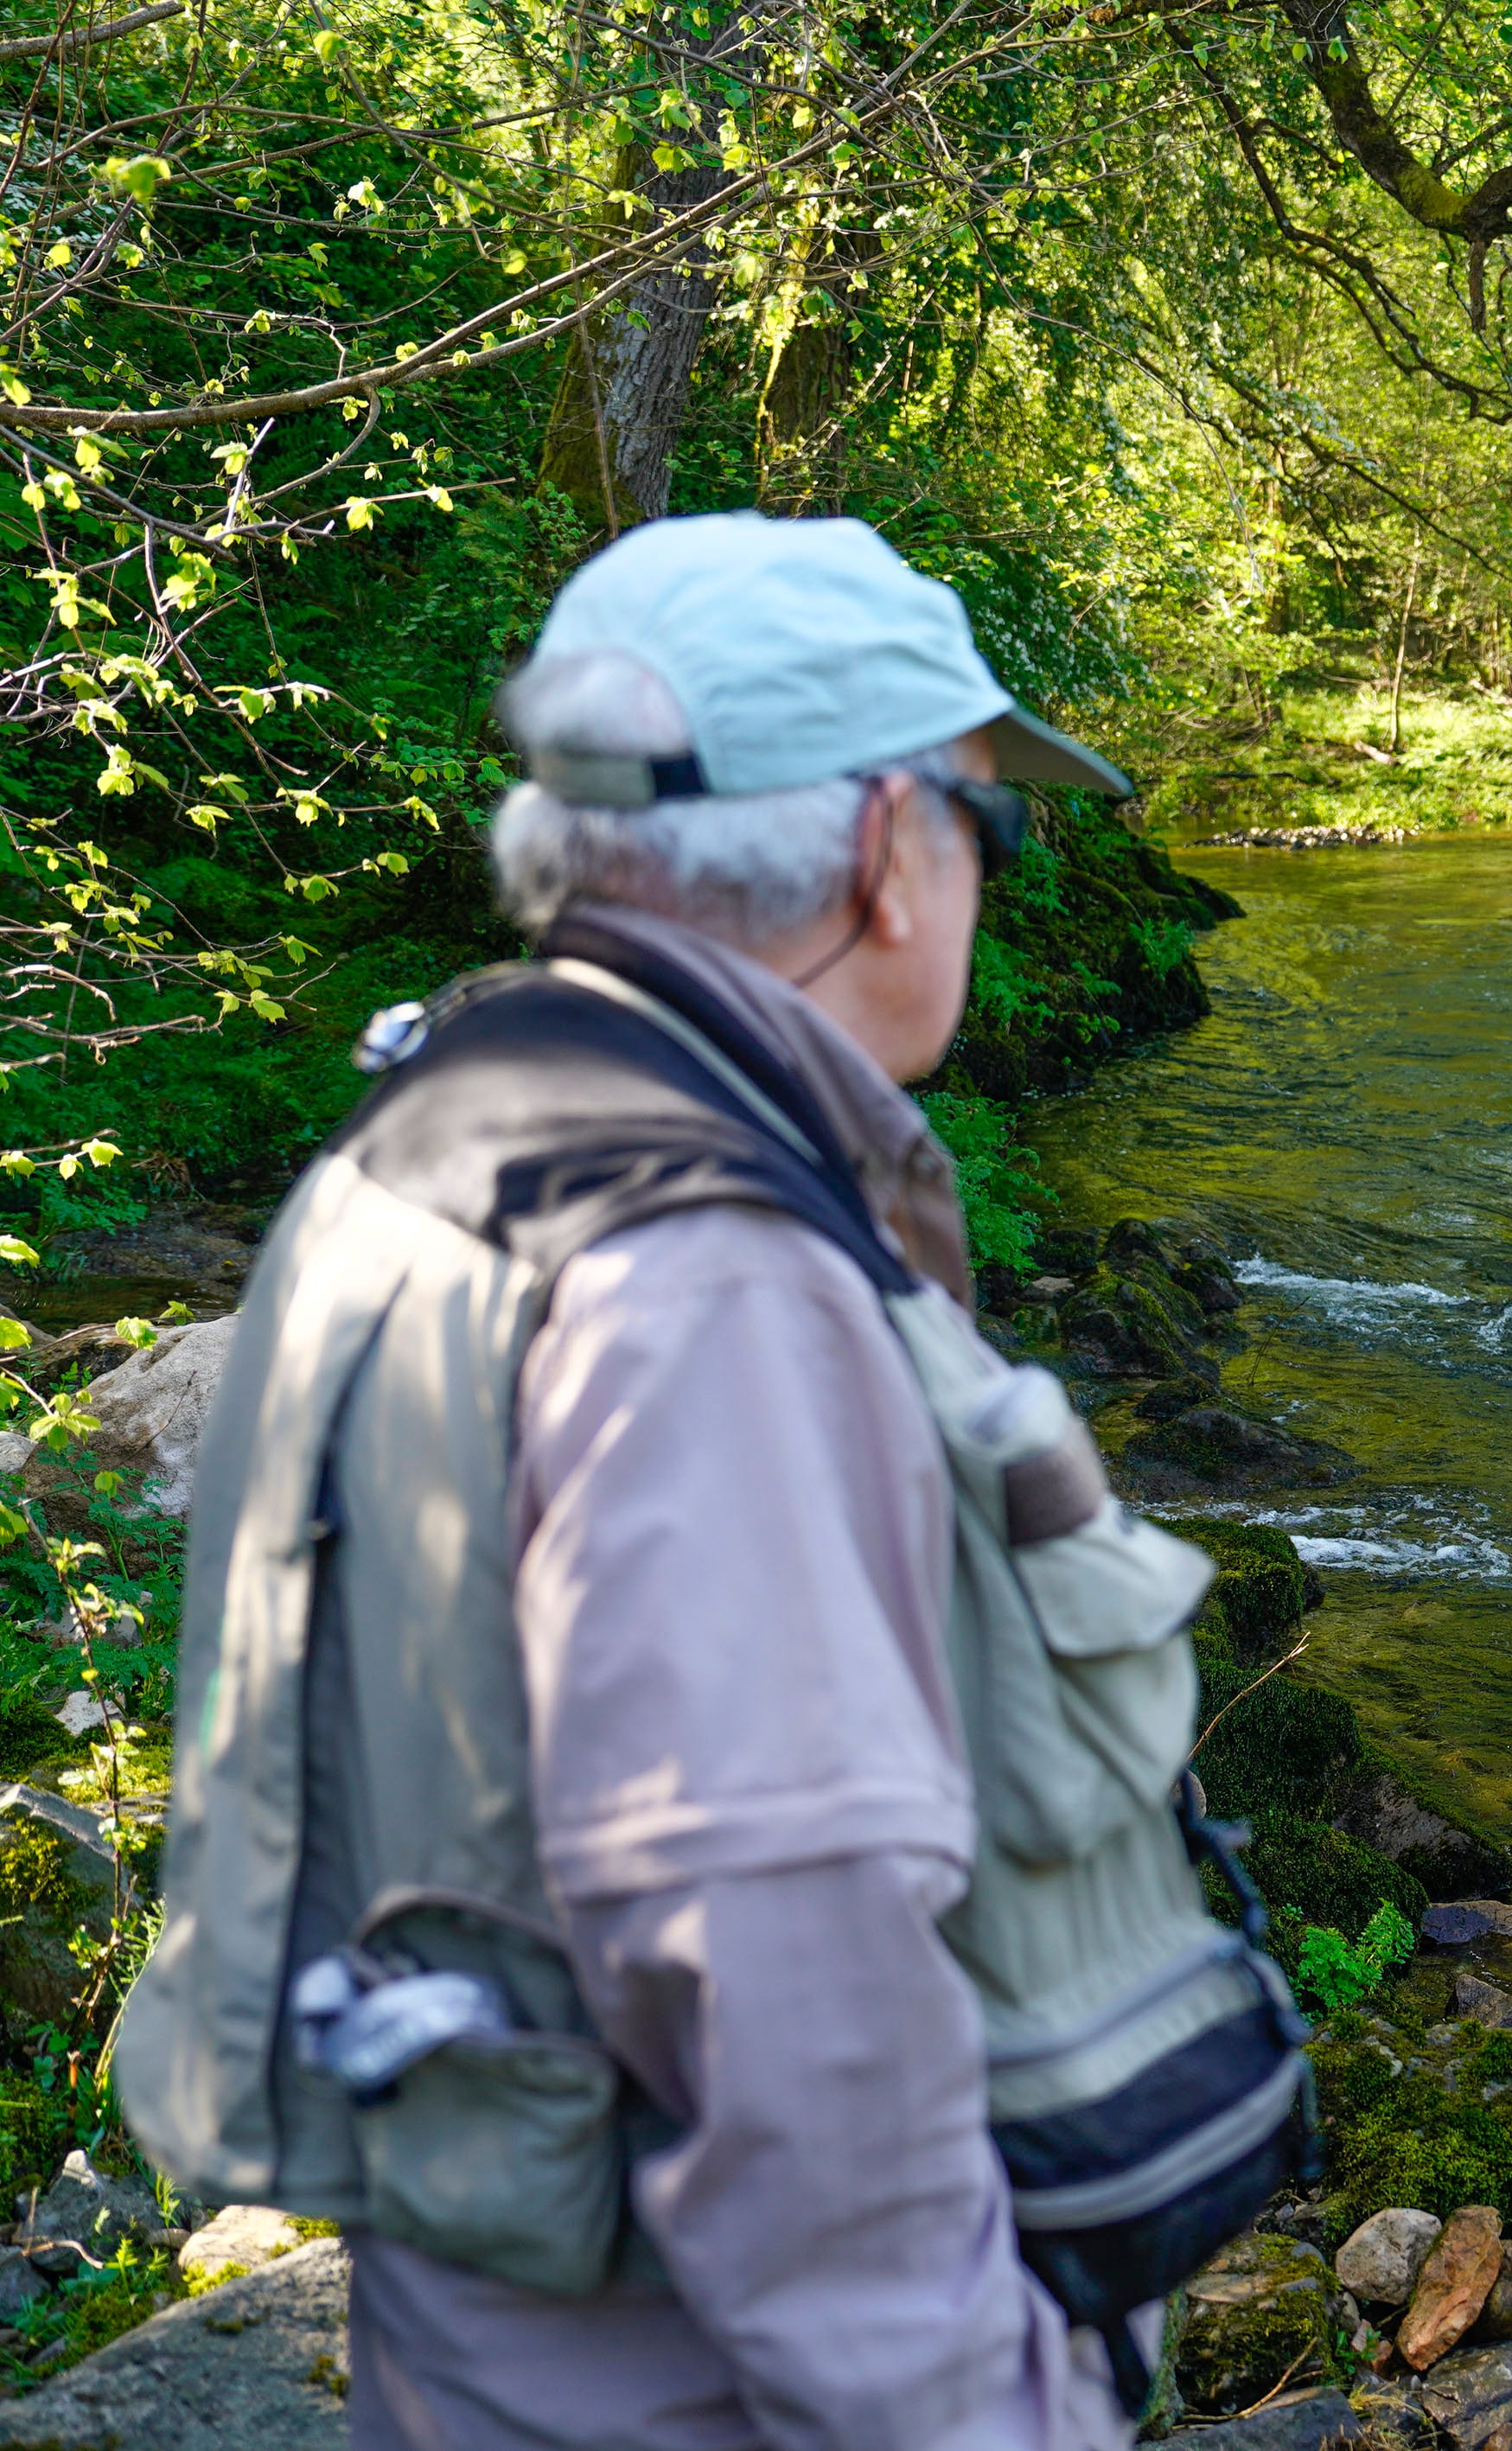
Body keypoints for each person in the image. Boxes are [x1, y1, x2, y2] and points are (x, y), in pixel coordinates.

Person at [115, 514, 1305, 2449]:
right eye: (988, 827)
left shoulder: (429, 1140)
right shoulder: (710, 1281)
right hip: (713, 2396)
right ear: (875, 851)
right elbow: (791, 2016)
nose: (986, 882)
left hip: (489, 2342)